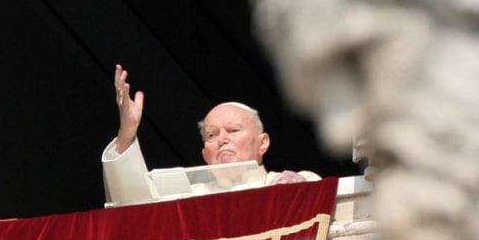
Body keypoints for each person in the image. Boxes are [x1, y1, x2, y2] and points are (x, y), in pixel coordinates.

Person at [102, 64, 320, 205]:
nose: (223, 140)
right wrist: (127, 132)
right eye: (212, 136)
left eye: (233, 131)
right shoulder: (188, 198)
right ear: (206, 154)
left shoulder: (289, 183)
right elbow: (132, 208)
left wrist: (299, 189)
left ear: (263, 143)